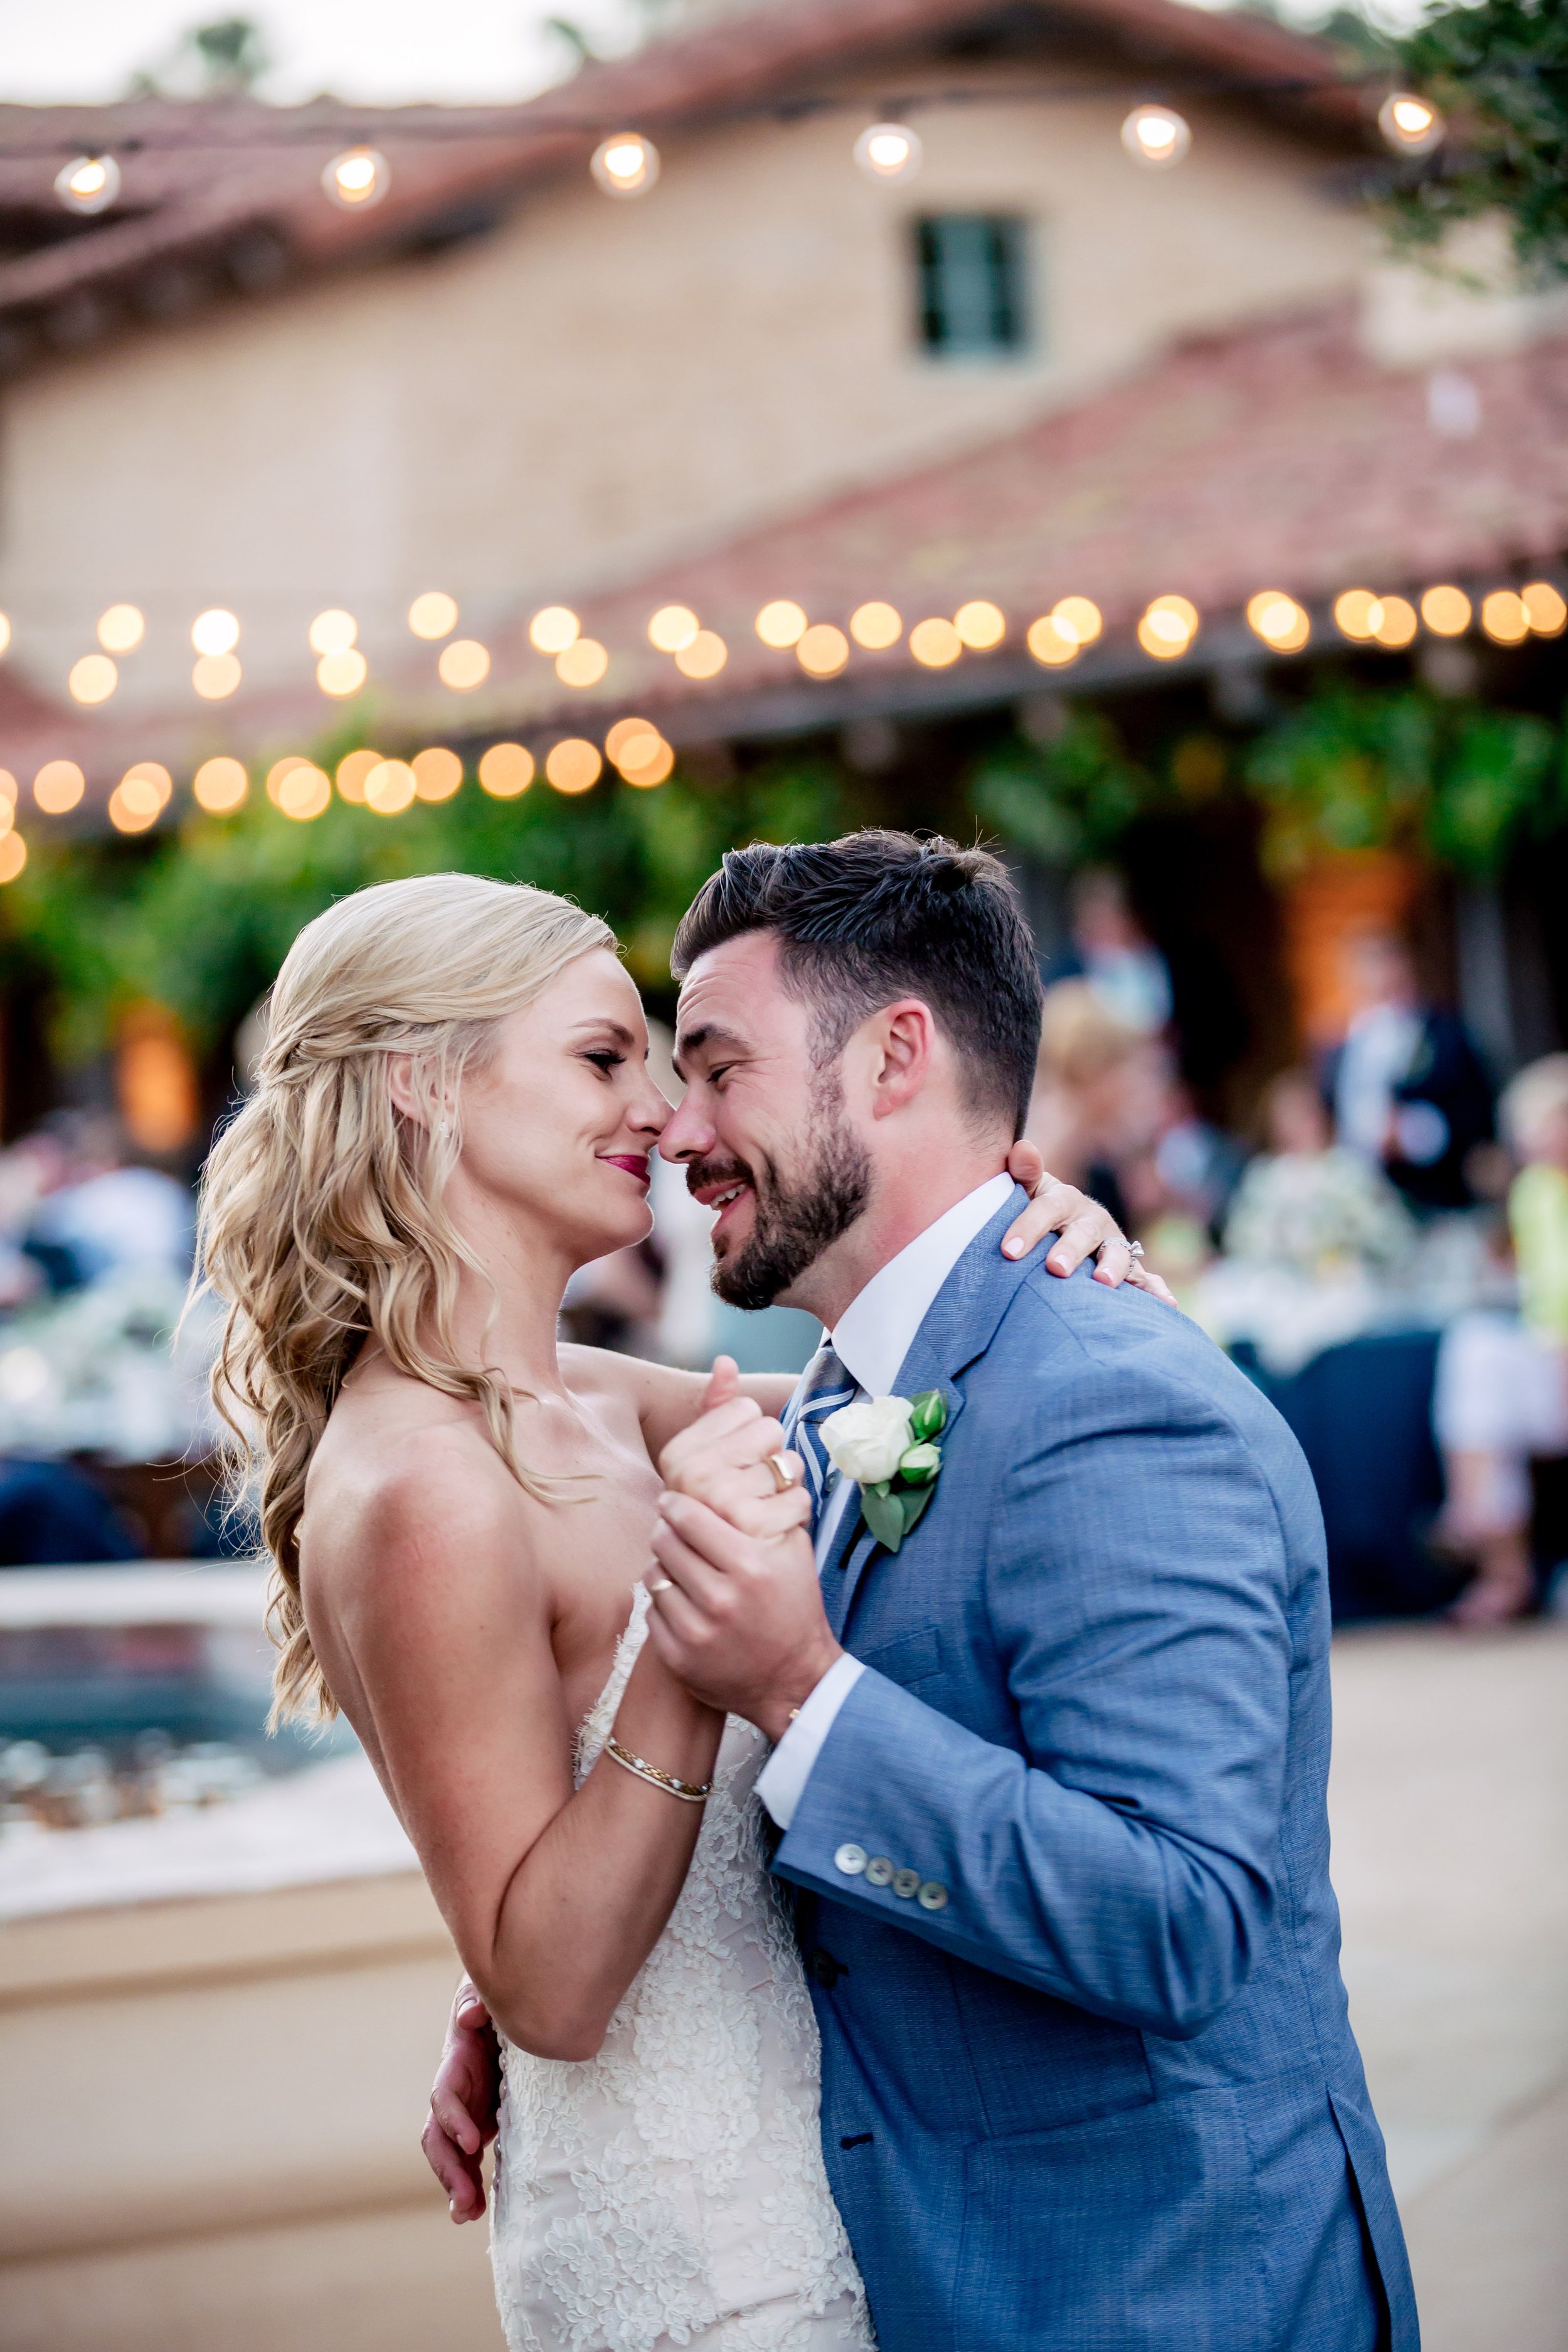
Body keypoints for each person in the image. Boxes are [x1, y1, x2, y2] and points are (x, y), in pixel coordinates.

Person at [434, 836, 1416, 2352]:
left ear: (896, 1057)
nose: (677, 1127)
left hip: (1152, 2293)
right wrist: (596, 2016)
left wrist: (801, 1690)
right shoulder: (833, 1401)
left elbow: (1184, 1921)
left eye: (718, 1065)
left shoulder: (1109, 1400)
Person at [193, 869, 1145, 2352]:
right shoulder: (419, 1480)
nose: (662, 1109)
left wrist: (1032, 1226)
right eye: (601, 1057)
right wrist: (697, 1633)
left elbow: (930, 1403)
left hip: (832, 2191)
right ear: (419, 1085)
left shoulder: (592, 1396)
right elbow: (554, 1985)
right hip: (704, 2263)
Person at [1433, 1052, 1568, 1624]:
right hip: (1553, 1350)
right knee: (1475, 1348)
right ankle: (1489, 1546)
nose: (1545, 1140)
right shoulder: (1535, 1191)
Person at [1325, 928, 1493, 1214]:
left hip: (1440, 1196)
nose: (1378, 977)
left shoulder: (1446, 1035)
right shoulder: (1341, 1047)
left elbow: (1477, 1111)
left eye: (1385, 963)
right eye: (1366, 966)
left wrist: (1413, 1134)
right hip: (1366, 1201)